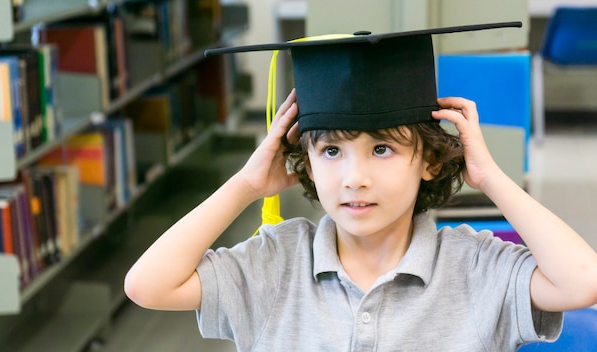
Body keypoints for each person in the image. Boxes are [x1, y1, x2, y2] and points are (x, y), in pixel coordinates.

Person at [124, 22, 597, 351]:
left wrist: (490, 178)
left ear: (429, 159)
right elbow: (147, 285)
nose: (355, 177)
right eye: (331, 151)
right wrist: (247, 185)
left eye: (382, 150)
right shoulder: (276, 262)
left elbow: (583, 282)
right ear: (305, 162)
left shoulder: (474, 266)